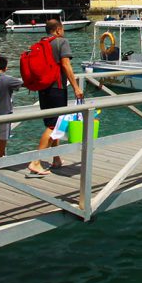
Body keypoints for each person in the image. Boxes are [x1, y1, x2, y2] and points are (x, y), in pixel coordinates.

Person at [29, 19, 84, 176]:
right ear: (58, 29)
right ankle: (36, 161)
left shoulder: (41, 43)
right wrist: (76, 87)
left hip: (43, 88)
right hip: (57, 88)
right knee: (53, 125)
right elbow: (66, 65)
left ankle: (56, 158)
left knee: (53, 123)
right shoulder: (61, 42)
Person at [0, 56, 23, 158]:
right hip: (4, 111)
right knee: (4, 135)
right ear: (5, 68)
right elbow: (22, 83)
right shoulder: (7, 80)